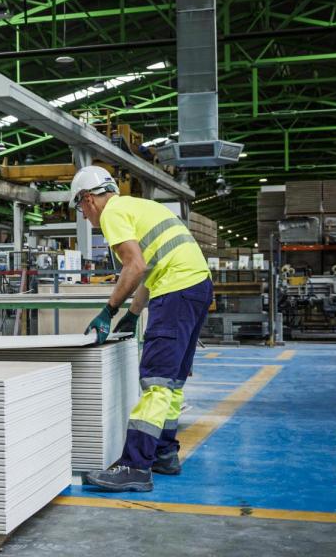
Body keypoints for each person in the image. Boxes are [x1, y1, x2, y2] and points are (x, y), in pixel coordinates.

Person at [69, 165, 213, 493]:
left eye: (81, 206)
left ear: (89, 199)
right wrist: (134, 314)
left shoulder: (112, 214)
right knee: (172, 381)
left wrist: (109, 310)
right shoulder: (140, 206)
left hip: (175, 291)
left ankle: (135, 466)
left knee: (156, 381)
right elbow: (152, 267)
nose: (85, 215)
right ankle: (164, 453)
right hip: (197, 286)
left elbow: (136, 266)